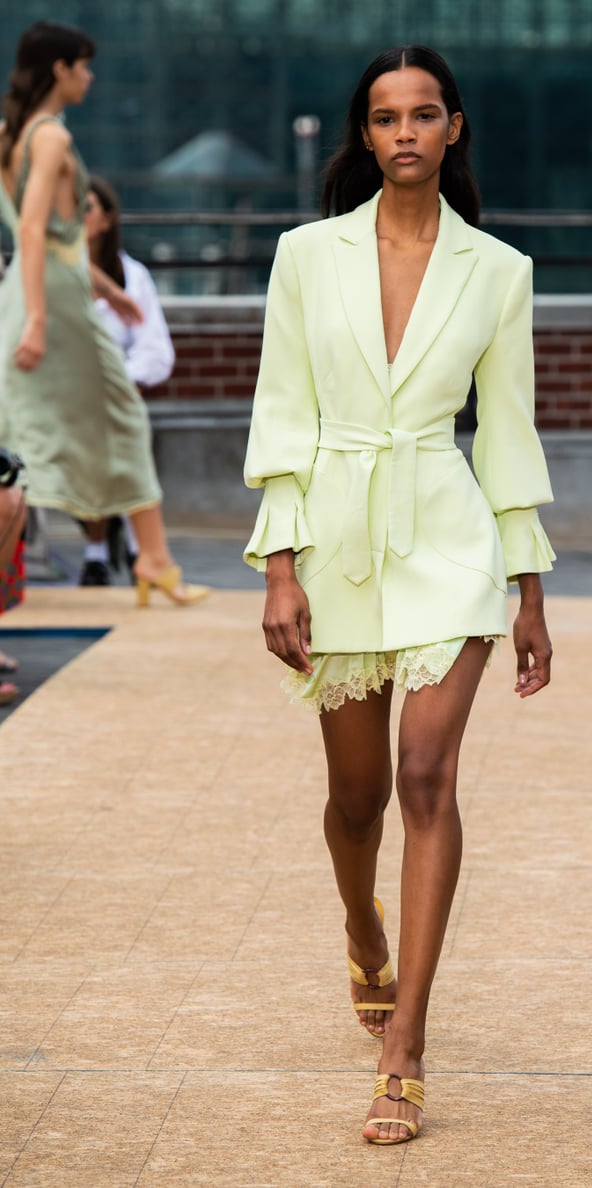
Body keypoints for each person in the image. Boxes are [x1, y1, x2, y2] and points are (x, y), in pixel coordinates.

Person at [243, 45, 555, 1145]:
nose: (406, 132)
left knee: (428, 774)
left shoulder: (499, 272)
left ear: (454, 130)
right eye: (386, 117)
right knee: (358, 799)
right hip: (332, 537)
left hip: (449, 538)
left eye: (426, 114)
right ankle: (360, 932)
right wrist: (278, 564)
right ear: (364, 135)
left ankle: (406, 1044)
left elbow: (507, 436)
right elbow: (282, 410)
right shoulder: (303, 257)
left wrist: (527, 589)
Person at [0, 20, 207, 607]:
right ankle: (155, 560)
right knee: (122, 418)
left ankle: (155, 559)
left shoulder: (11, 134)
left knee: (16, 436)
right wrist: (40, 318)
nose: (89, 77)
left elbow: (43, 238)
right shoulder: (50, 138)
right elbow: (36, 228)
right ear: (60, 69)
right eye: (84, 66)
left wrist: (107, 290)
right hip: (53, 304)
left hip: (35, 290)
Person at [78, 175, 176, 586]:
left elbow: (155, 350)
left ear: (107, 219)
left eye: (86, 209)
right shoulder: (52, 274)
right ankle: (121, 548)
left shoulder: (132, 276)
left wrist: (118, 382)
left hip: (116, 394)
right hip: (61, 394)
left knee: (113, 428)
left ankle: (115, 550)